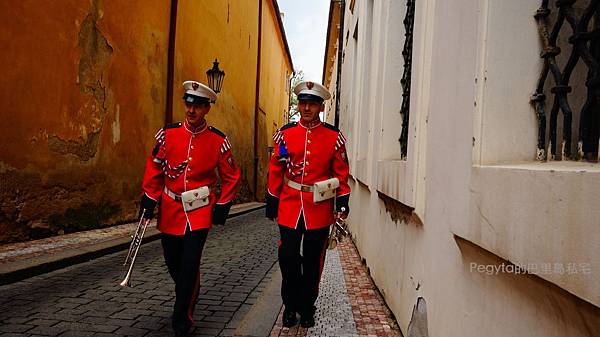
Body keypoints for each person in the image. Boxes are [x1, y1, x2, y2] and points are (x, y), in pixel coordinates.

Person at [139, 80, 241, 337]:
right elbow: (155, 167)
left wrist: (222, 206)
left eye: (197, 106)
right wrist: (149, 198)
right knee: (174, 263)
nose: (191, 110)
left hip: (199, 212)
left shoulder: (218, 141)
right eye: (188, 103)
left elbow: (232, 176)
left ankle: (181, 317)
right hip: (171, 209)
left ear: (207, 108)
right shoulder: (168, 135)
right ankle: (189, 290)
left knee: (189, 262)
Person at [266, 81, 351, 328]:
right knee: (288, 256)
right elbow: (276, 167)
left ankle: (307, 306)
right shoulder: (285, 134)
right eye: (302, 103)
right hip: (290, 205)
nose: (306, 108)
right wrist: (272, 199)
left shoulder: (334, 138)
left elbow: (341, 173)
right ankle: (290, 304)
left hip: (319, 208)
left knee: (313, 261)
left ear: (320, 107)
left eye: (311, 104)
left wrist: (342, 202)